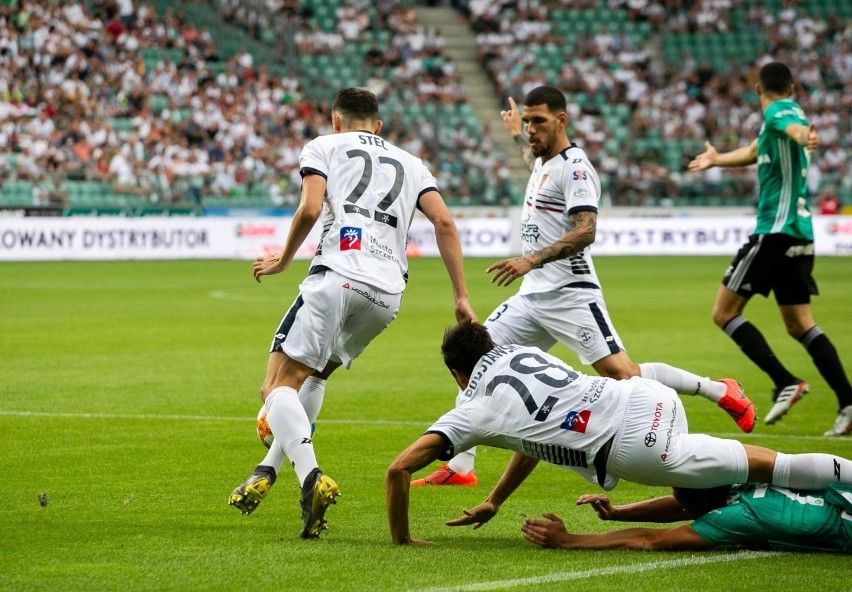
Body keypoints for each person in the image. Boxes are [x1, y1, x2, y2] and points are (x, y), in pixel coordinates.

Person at [414, 85, 755, 487]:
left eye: (538, 121)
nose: (530, 130)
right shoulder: (543, 161)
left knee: (623, 376)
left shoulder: (577, 168)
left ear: (562, 120)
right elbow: (534, 163)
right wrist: (513, 135)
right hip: (531, 297)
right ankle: (460, 468)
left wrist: (531, 259)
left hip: (571, 293)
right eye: (526, 121)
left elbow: (586, 230)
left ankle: (719, 390)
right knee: (477, 363)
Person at [228, 88, 476, 539]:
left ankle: (310, 476)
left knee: (276, 384)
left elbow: (309, 207)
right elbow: (444, 223)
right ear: (378, 125)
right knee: (315, 377)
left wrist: (283, 260)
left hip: (338, 274)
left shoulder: (323, 146)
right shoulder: (412, 163)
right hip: (386, 296)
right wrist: (460, 295)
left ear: (336, 121)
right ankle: (267, 469)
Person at [385, 321, 852, 545]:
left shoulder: (471, 408)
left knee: (697, 499)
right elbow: (529, 439)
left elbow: (398, 469)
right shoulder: (520, 351)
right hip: (647, 396)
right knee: (777, 464)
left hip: (633, 448)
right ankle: (715, 389)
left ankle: (717, 397)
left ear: (456, 373)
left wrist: (403, 540)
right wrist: (496, 498)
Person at [688, 62, 852, 436]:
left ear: (758, 89)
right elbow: (753, 150)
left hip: (774, 233)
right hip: (801, 234)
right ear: (792, 87)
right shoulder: (789, 115)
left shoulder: (778, 113)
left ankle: (785, 380)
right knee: (800, 324)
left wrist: (803, 137)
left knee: (723, 312)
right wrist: (717, 159)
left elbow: (789, 129)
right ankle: (849, 402)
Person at [521, 482, 852, 552]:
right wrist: (617, 513)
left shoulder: (736, 516)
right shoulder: (749, 477)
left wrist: (569, 540)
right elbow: (685, 504)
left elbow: (647, 540)